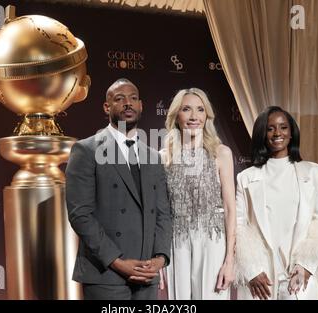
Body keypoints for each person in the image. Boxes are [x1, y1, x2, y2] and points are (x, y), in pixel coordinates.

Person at [65, 78, 172, 300]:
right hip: (105, 274)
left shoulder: (153, 156)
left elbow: (163, 213)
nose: (128, 103)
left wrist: (160, 258)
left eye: (133, 98)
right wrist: (118, 262)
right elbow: (80, 215)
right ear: (107, 107)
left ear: (141, 106)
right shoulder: (85, 150)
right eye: (119, 98)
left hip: (146, 274)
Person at [235, 106, 318, 300]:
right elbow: (237, 226)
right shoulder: (246, 178)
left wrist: (307, 266)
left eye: (283, 127)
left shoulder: (315, 173)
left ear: (291, 132)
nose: (278, 133)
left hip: (298, 276)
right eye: (270, 128)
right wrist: (252, 270)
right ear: (262, 133)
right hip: (261, 280)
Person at [161, 88, 236, 300]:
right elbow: (159, 212)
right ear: (176, 116)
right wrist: (158, 254)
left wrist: (229, 260)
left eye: (200, 110)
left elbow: (230, 209)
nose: (194, 116)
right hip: (177, 242)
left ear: (207, 116)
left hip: (213, 240)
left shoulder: (221, 153)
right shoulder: (163, 157)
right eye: (186, 109)